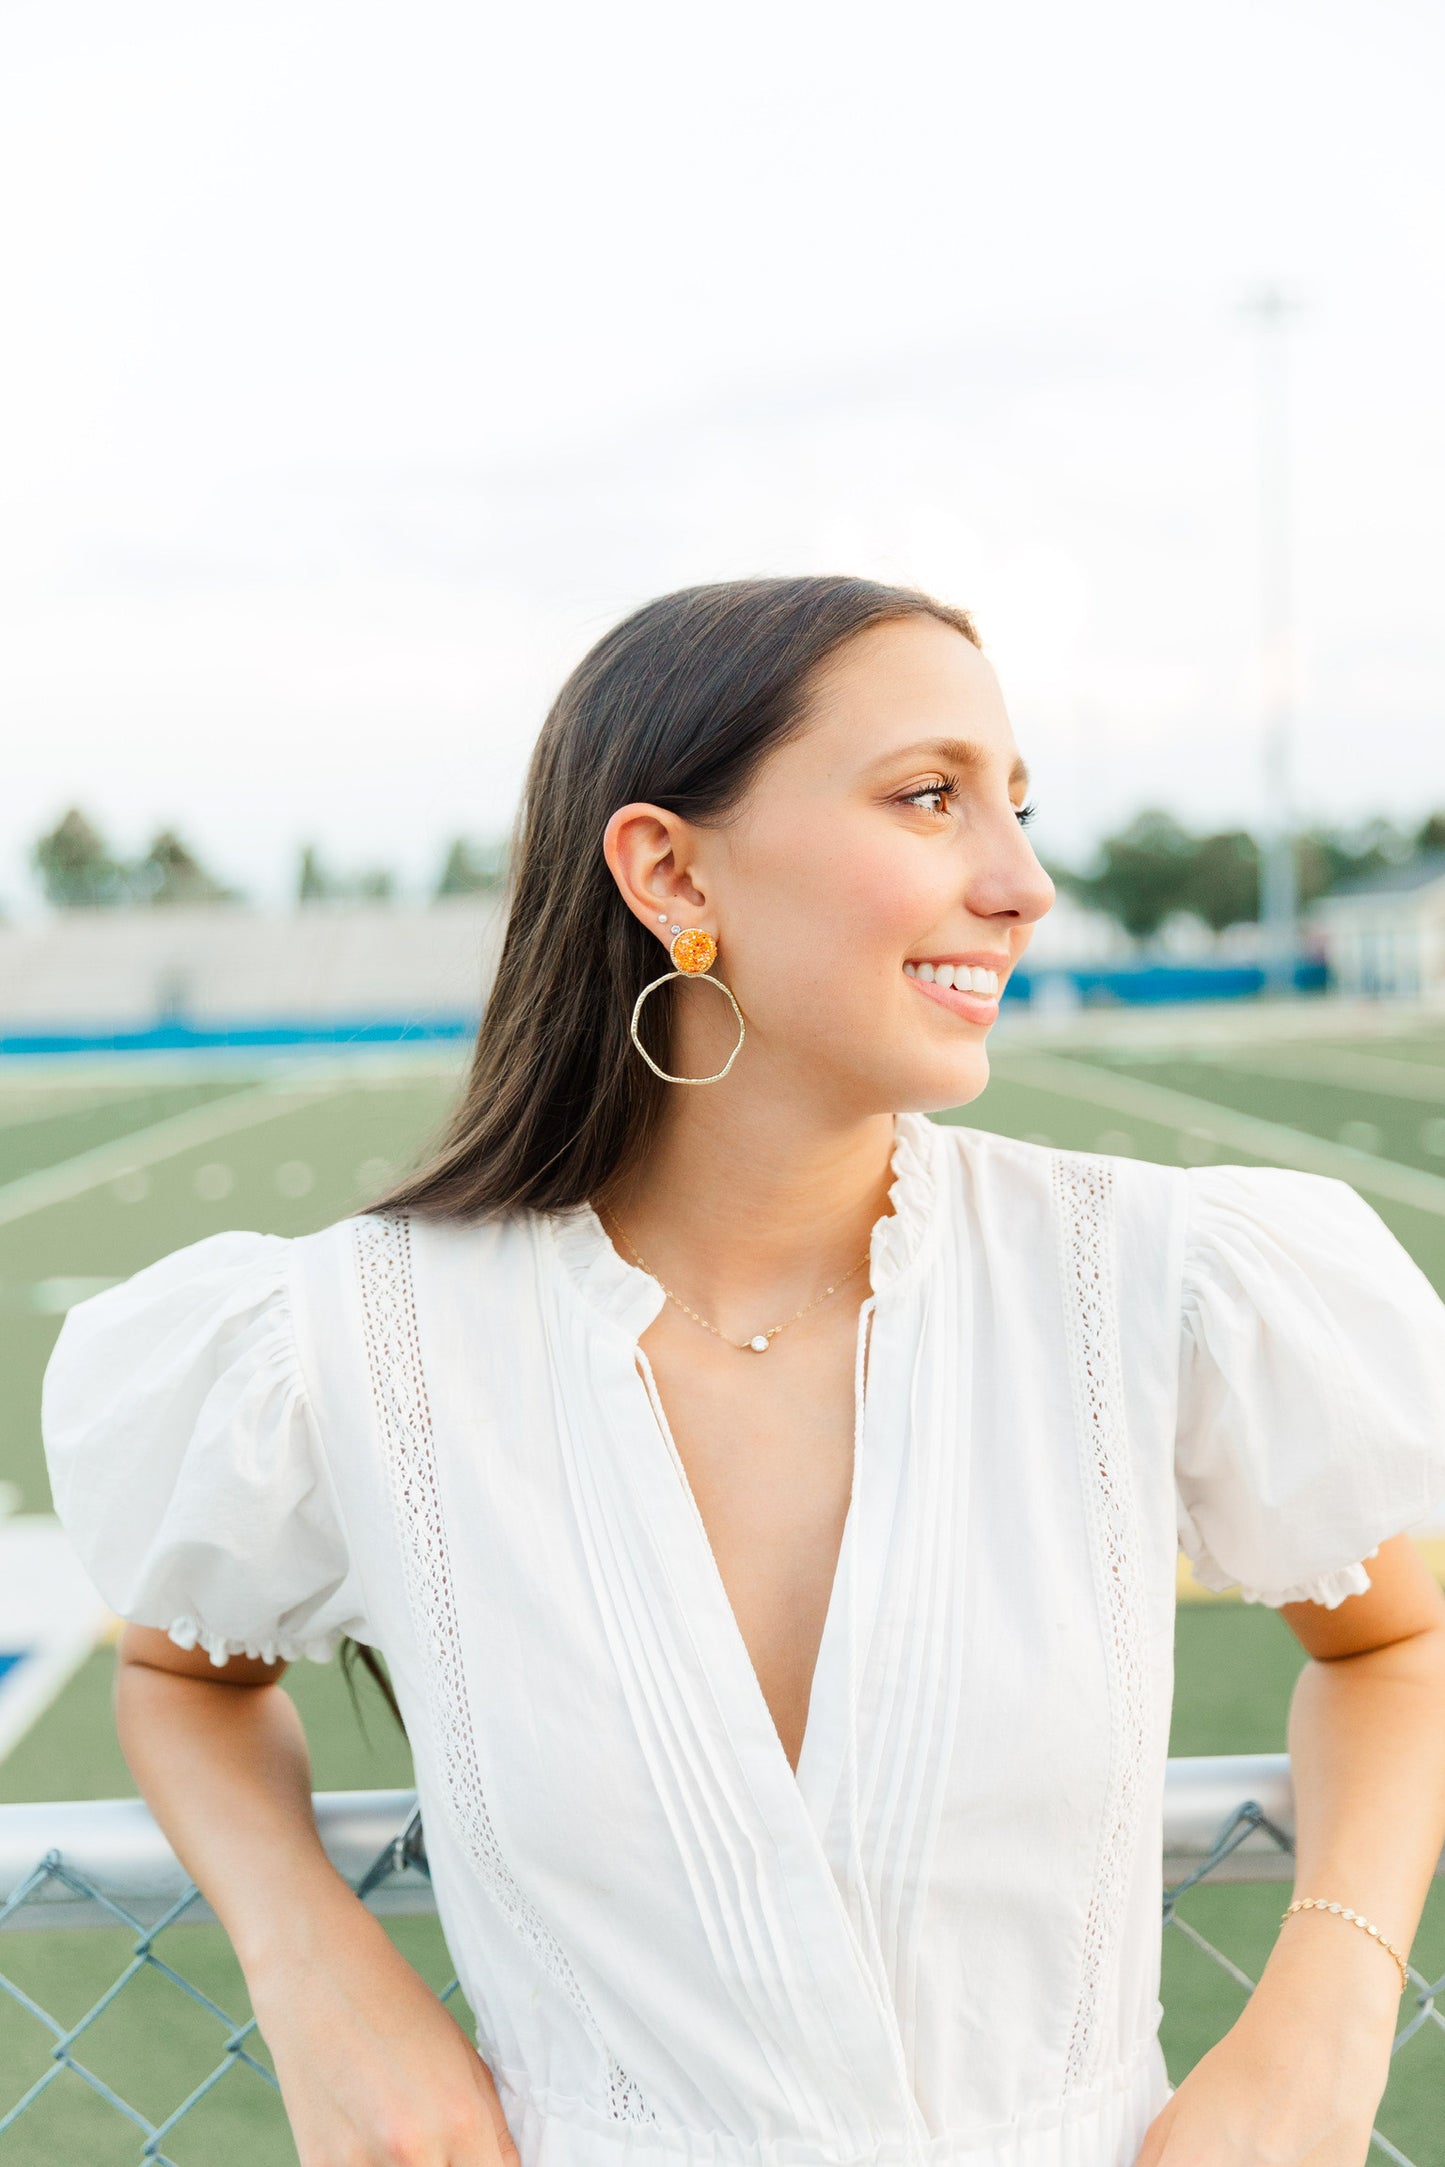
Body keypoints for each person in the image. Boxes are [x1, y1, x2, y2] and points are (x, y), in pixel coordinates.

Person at [41, 575, 1445, 2167]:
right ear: (666, 867)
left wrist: (1323, 2024)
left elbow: (1398, 1647)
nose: (1023, 882)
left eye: (1017, 806)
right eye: (929, 798)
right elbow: (180, 1682)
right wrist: (318, 1976)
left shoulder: (1151, 1282)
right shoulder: (350, 1346)